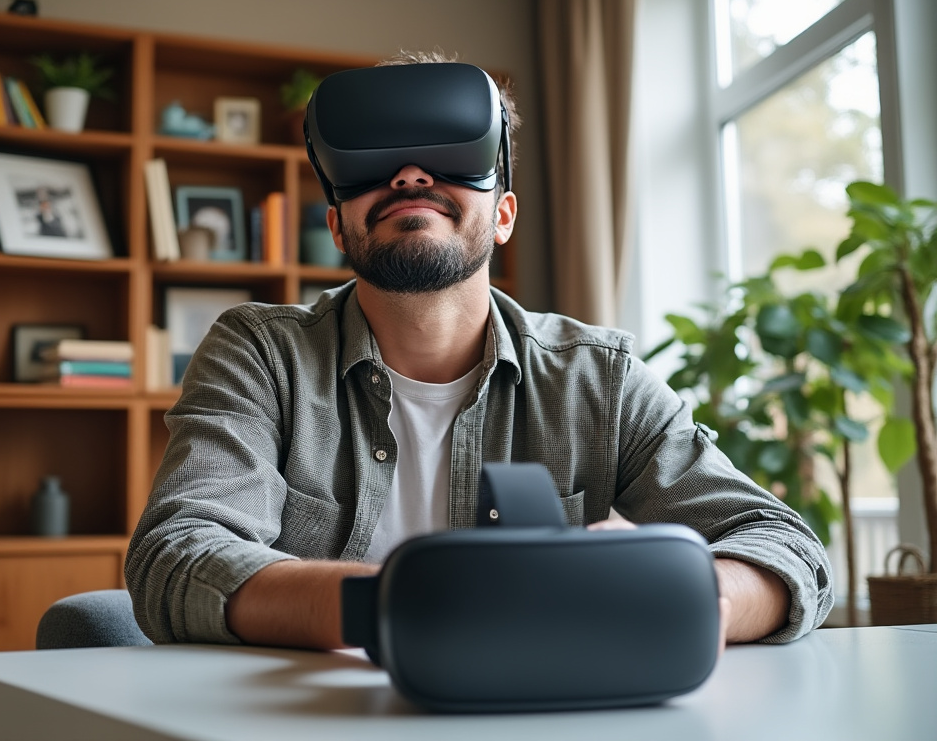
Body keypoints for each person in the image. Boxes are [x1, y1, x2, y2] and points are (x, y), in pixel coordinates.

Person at [126, 50, 833, 651]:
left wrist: (690, 600)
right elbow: (177, 555)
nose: (408, 176)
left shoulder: (599, 378)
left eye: (445, 159)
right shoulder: (262, 354)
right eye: (378, 164)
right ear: (337, 228)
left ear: (502, 216)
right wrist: (403, 604)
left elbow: (784, 546)